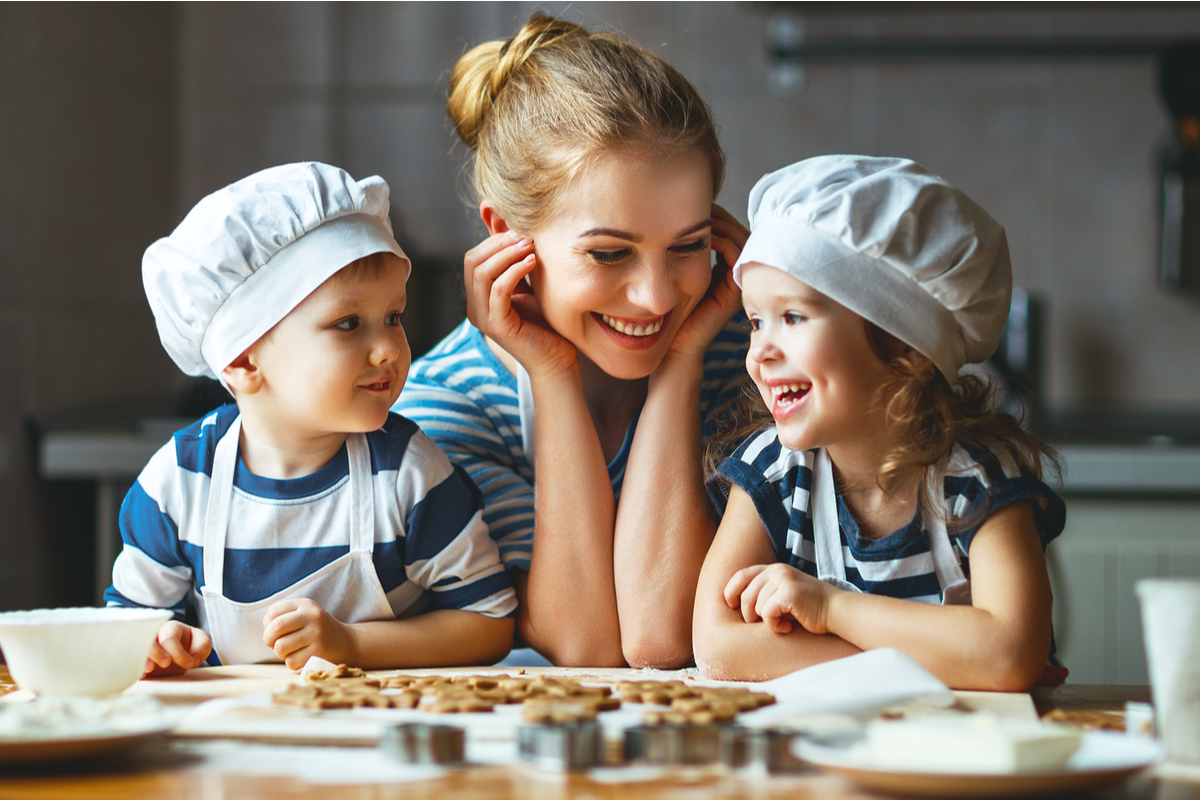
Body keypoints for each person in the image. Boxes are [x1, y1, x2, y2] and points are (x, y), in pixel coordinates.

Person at [394, 14, 749, 668]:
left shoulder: (749, 366)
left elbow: (663, 634)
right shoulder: (446, 408)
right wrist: (552, 378)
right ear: (506, 237)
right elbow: (585, 646)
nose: (659, 297)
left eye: (689, 246)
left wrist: (681, 369)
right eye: (611, 254)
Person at [106, 162, 517, 674]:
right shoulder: (179, 484)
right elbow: (127, 631)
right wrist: (157, 643)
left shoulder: (408, 473)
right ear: (242, 361)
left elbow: (489, 620)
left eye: (393, 317)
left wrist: (353, 645)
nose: (389, 348)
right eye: (349, 324)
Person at [693, 156, 1067, 690]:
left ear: (904, 346)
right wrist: (949, 658)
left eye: (793, 317)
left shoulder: (979, 480)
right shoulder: (771, 472)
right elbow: (716, 644)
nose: (759, 353)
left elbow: (1009, 654)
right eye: (755, 321)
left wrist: (829, 610)